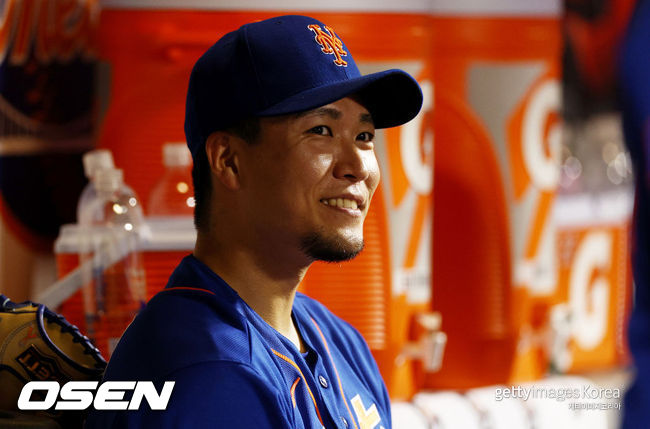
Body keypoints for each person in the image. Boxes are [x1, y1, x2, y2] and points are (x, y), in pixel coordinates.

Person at [85, 14, 422, 428]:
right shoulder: (208, 376)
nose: (358, 167)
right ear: (228, 161)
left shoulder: (339, 340)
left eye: (364, 136)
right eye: (321, 130)